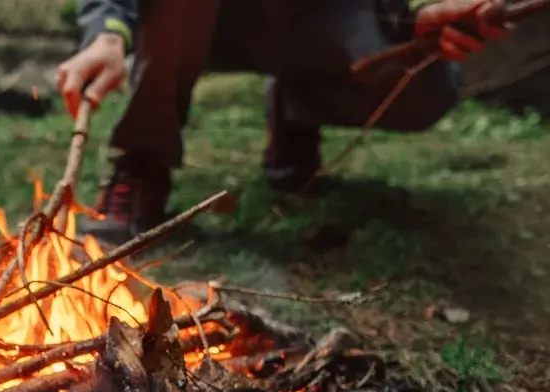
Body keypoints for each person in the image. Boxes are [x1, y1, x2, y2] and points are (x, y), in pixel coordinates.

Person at [56, 0, 511, 244]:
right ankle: (143, 161)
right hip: (205, 17)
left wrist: (417, 8)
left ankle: (296, 110)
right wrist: (108, 32)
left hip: (323, 15)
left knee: (426, 88)